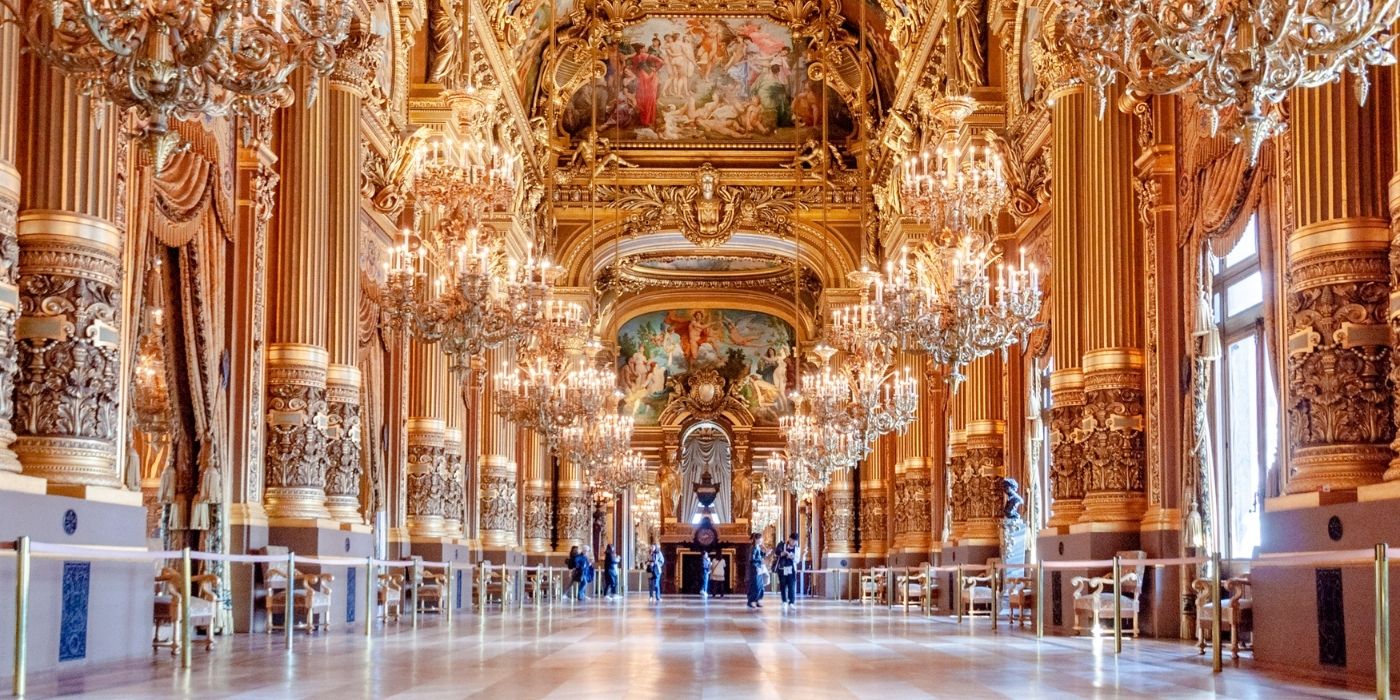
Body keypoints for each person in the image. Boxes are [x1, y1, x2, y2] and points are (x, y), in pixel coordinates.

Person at [778, 533, 800, 608]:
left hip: (792, 569)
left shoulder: (797, 549)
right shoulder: (782, 545)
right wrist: (782, 554)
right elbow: (777, 553)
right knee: (783, 585)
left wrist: (792, 557)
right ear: (789, 539)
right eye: (793, 540)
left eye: (795, 541)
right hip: (782, 568)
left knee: (792, 585)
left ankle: (791, 602)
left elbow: (797, 560)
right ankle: (784, 601)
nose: (794, 542)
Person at [747, 532, 767, 609]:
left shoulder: (758, 547)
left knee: (760, 585)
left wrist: (765, 553)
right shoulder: (753, 548)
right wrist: (760, 560)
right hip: (754, 568)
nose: (761, 540)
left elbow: (761, 556)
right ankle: (750, 601)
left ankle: (758, 600)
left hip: (759, 568)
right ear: (756, 539)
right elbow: (751, 559)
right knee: (755, 585)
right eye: (760, 538)